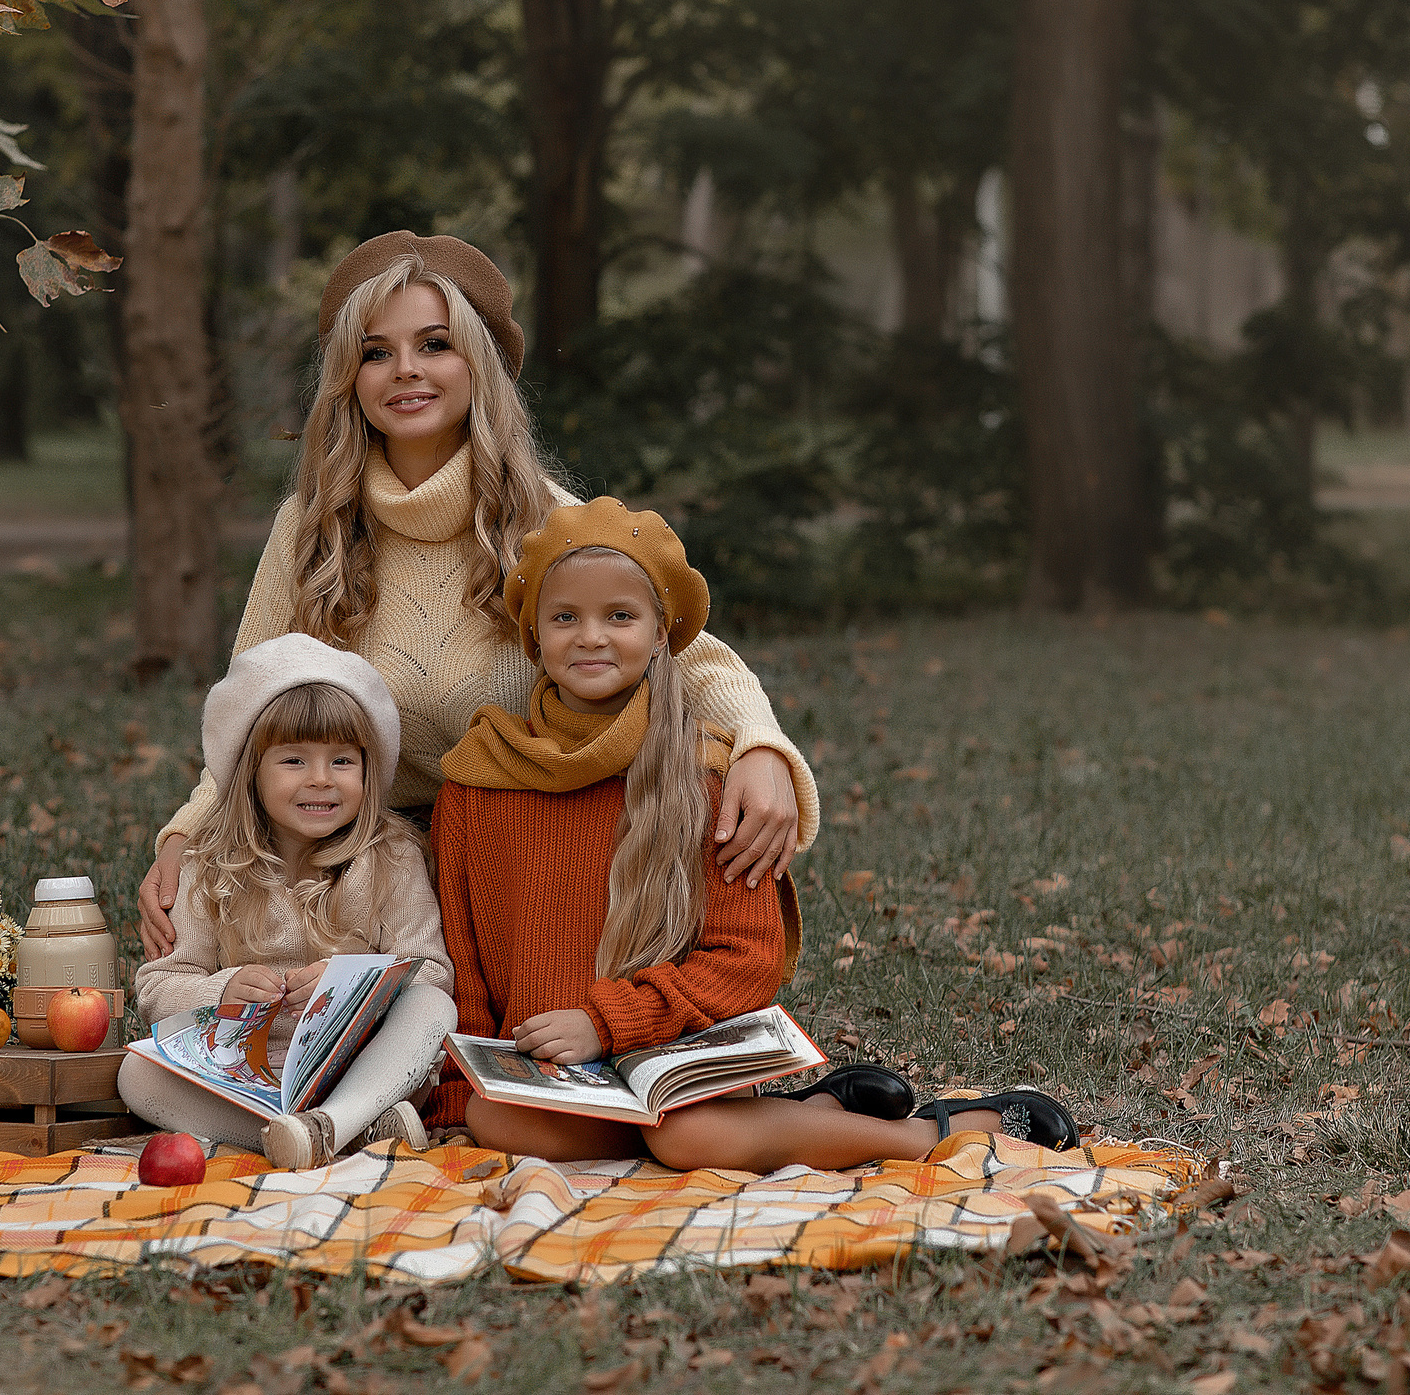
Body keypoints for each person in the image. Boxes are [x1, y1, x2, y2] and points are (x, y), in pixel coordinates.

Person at [138, 232, 819, 961]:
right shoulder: (311, 530)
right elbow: (249, 717)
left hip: (525, 864)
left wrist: (762, 748)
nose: (406, 370)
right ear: (349, 376)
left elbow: (688, 652)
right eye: (376, 352)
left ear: (478, 363)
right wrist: (185, 835)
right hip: (368, 874)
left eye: (435, 344)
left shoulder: (542, 518)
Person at [430, 498, 1078, 1170]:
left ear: (660, 633)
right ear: (533, 635)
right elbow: (467, 967)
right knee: (491, 1116)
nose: (591, 636)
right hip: (554, 1080)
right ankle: (802, 1119)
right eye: (565, 617)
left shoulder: (707, 774)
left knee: (685, 1136)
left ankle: (930, 1135)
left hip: (673, 1060)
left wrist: (607, 1022)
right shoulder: (476, 783)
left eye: (619, 615)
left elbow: (747, 957)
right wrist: (456, 1098)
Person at [118, 634, 459, 1171]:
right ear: (251, 771)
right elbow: (157, 988)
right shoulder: (209, 864)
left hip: (358, 1068)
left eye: (342, 760)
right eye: (294, 760)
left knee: (434, 1010)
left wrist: (352, 982)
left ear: (369, 772)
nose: (321, 780)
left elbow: (433, 974)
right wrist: (222, 989)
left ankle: (336, 1121)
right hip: (242, 1074)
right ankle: (325, 1134)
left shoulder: (391, 857)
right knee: (136, 1075)